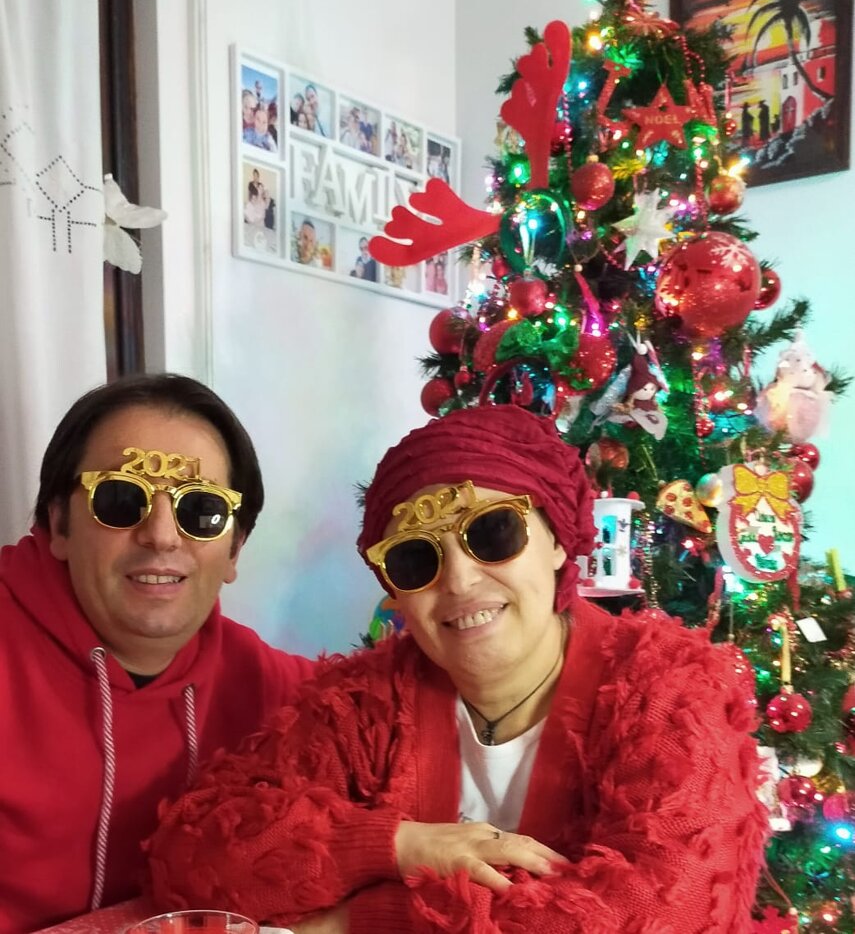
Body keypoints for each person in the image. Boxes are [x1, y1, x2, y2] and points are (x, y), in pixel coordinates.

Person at [148, 404, 768, 933]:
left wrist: (361, 919)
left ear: (559, 539)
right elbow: (194, 858)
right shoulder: (363, 705)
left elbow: (664, 911)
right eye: (417, 559)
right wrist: (398, 844)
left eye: (493, 533)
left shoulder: (670, 693)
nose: (460, 581)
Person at [0, 374, 314, 933]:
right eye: (121, 499)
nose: (162, 535)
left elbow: (407, 706)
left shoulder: (269, 685)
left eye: (202, 511)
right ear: (59, 524)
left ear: (235, 549)